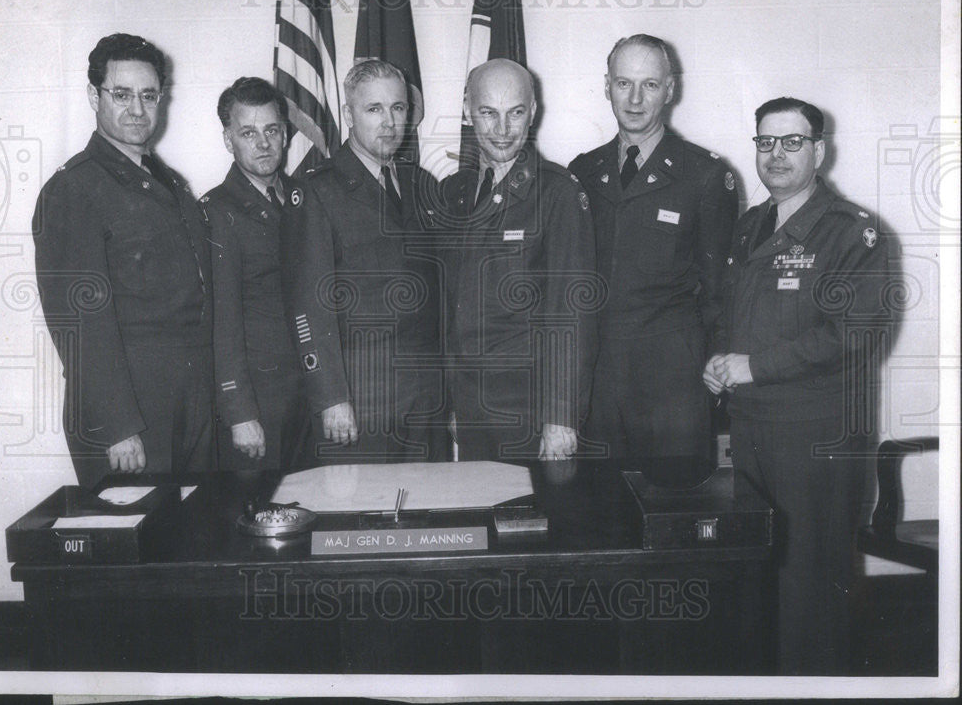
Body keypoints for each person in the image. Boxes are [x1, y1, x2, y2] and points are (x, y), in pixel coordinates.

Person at [704, 97, 892, 674]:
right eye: (765, 142)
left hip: (818, 442)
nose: (776, 154)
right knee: (761, 576)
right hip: (755, 432)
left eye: (791, 142)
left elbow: (854, 334)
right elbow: (734, 317)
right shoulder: (750, 225)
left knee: (811, 585)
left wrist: (755, 367)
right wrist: (718, 360)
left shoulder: (852, 233)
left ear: (819, 150)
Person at [33, 33, 215, 487]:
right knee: (138, 546)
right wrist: (117, 426)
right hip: (128, 411)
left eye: (148, 95)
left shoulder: (169, 183)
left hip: (189, 399)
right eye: (122, 94)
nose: (137, 109)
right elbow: (79, 323)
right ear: (94, 96)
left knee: (191, 538)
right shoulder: (76, 189)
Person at [569, 34, 737, 485]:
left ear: (671, 89)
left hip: (672, 380)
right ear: (607, 87)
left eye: (649, 85)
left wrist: (715, 365)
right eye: (624, 84)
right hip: (599, 380)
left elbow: (721, 288)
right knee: (599, 510)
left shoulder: (704, 175)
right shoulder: (582, 171)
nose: (636, 98)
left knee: (676, 511)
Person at [280, 60, 445, 463]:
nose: (389, 122)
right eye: (374, 109)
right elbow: (307, 305)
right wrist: (331, 396)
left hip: (426, 397)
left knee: (429, 514)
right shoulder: (316, 192)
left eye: (398, 108)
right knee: (362, 518)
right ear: (348, 115)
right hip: (360, 399)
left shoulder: (420, 184)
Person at [441, 58, 598, 461]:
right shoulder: (454, 193)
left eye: (515, 113)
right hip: (471, 405)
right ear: (467, 111)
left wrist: (561, 417)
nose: (502, 130)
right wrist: (456, 402)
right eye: (488, 113)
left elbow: (571, 312)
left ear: (533, 112)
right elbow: (453, 307)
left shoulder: (557, 193)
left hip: (529, 408)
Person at [201, 77, 311, 470]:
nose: (263, 144)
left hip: (310, 395)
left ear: (285, 134)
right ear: (229, 139)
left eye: (272, 131)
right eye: (249, 133)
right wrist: (239, 412)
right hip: (260, 404)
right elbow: (222, 322)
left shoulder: (305, 198)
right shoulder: (217, 212)